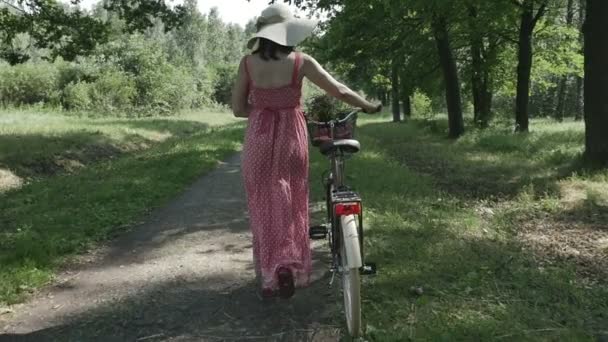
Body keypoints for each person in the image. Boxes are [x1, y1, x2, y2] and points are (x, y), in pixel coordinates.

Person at [231, 4, 381, 299]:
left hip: (259, 137)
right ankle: (289, 263)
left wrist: (262, 111)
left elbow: (237, 109)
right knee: (291, 198)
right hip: (292, 134)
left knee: (263, 201)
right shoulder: (301, 61)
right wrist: (367, 104)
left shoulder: (247, 63)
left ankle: (271, 272)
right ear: (288, 32)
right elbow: (337, 89)